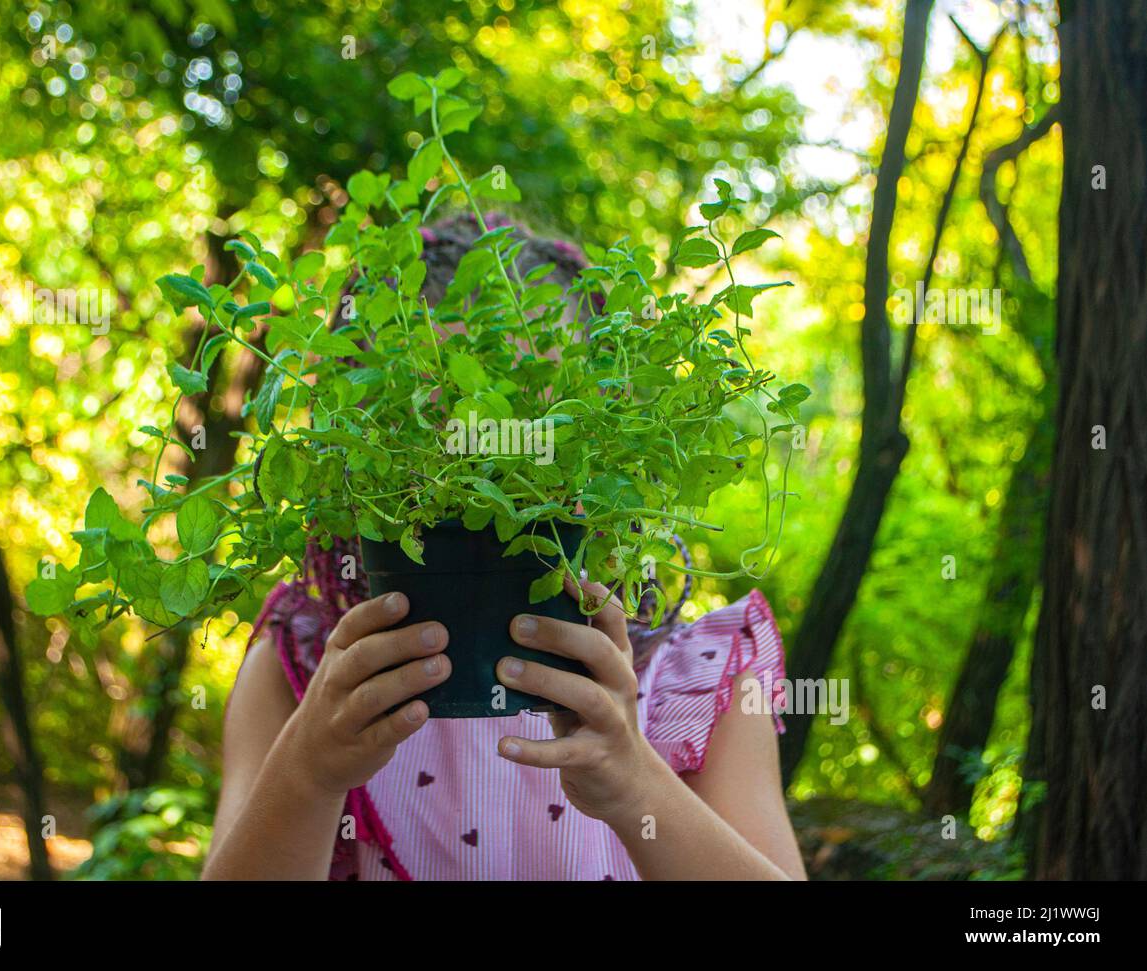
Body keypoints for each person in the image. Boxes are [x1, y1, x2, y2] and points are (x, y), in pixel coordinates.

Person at [202, 215, 806, 881]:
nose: (488, 486)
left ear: (605, 442)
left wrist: (635, 786)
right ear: (359, 449)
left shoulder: (694, 679)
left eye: (538, 437)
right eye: (437, 434)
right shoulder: (308, 667)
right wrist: (309, 773)